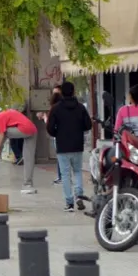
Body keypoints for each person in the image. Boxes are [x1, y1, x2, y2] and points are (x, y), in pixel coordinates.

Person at [47, 82, 92, 211]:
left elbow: (50, 128)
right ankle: (79, 195)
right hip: (77, 145)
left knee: (65, 175)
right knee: (77, 171)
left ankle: (69, 203)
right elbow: (88, 125)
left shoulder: (55, 108)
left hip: (62, 146)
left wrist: (58, 134)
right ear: (73, 92)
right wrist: (79, 130)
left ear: (62, 92)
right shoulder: (80, 107)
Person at [0, 107, 38, 194]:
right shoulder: (5, 112)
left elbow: (1, 134)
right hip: (33, 130)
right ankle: (28, 184)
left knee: (4, 132)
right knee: (29, 158)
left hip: (25, 129)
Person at [37, 85, 63, 184]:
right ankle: (62, 177)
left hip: (60, 136)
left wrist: (44, 117)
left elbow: (50, 124)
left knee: (61, 157)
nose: (54, 95)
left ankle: (62, 177)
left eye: (56, 93)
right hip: (64, 136)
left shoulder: (56, 108)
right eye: (54, 93)